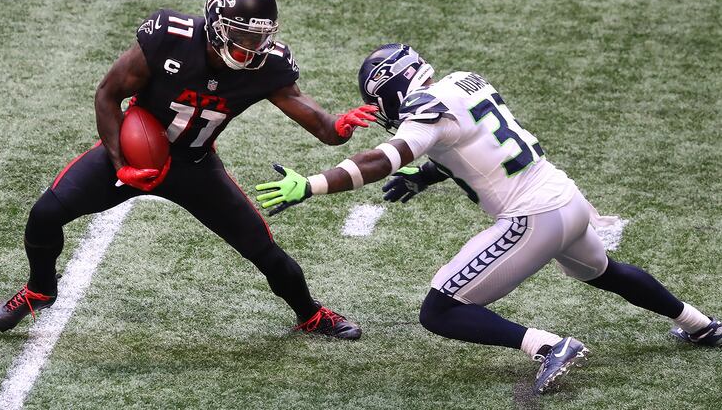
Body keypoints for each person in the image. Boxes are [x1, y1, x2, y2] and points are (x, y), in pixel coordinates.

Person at [254, 43, 721, 393]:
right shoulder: (463, 81)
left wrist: (312, 184)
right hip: (568, 200)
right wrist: (430, 176)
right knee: (605, 272)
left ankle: (548, 346)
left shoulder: (424, 111)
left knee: (439, 310)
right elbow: (477, 146)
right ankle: (702, 324)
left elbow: (383, 159)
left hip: (532, 218)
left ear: (391, 87)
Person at [0, 0, 375, 340]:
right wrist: (121, 164)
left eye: (259, 37)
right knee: (45, 214)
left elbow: (320, 125)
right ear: (216, 25)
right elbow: (108, 94)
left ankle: (310, 314)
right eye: (242, 36)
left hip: (194, 165)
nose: (251, 47)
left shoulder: (267, 64)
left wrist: (339, 128)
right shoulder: (170, 37)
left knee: (263, 249)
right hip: (135, 153)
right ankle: (39, 289)